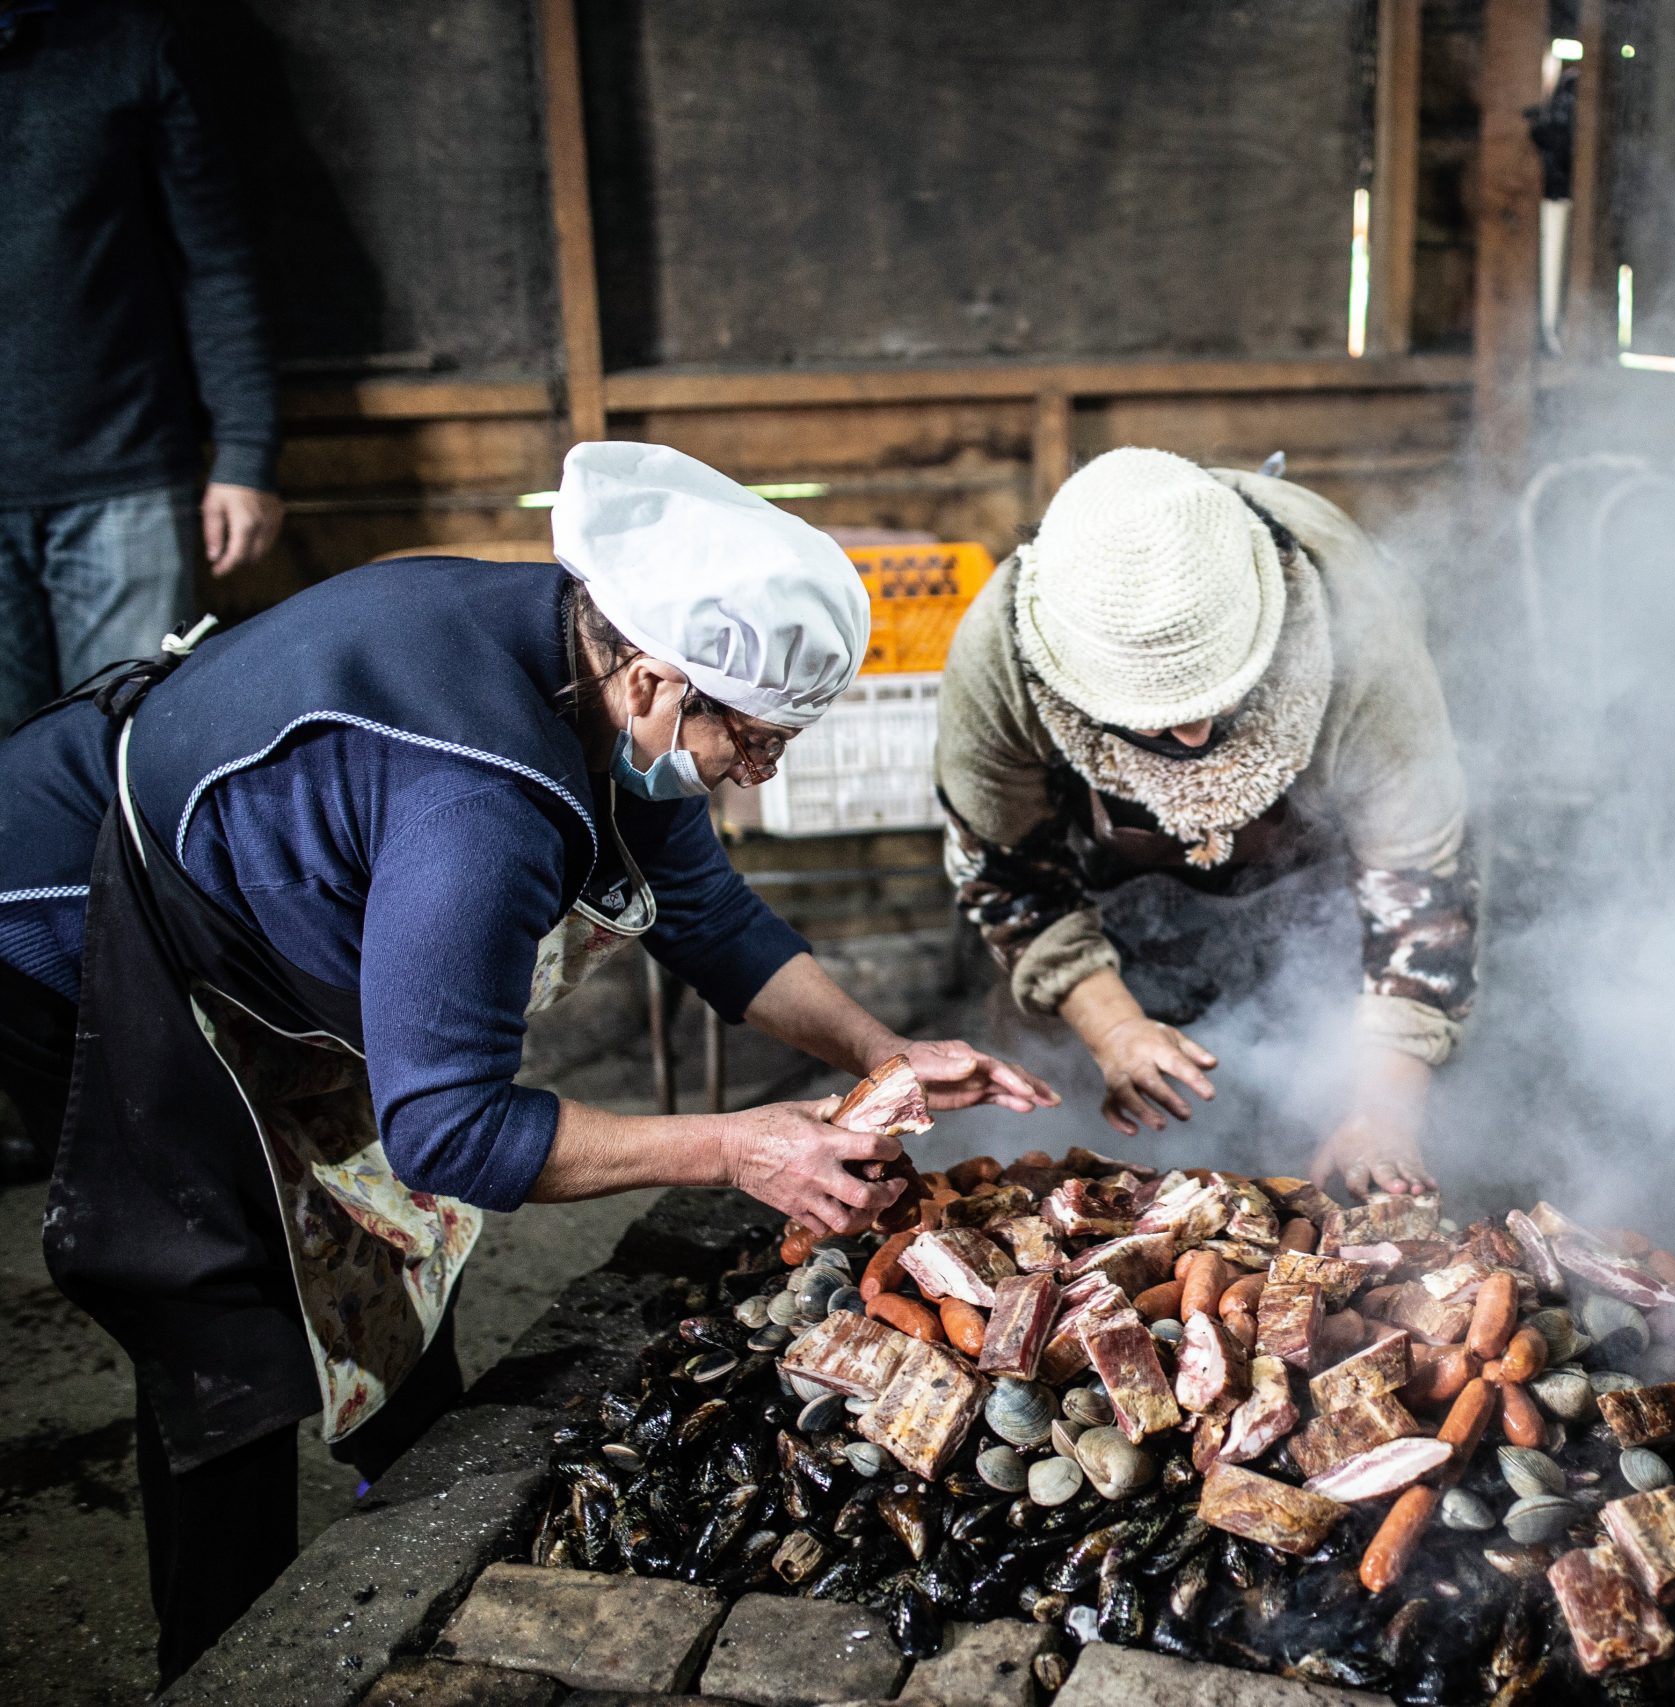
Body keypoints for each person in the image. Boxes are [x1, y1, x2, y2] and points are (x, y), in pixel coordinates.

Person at [0, 441, 1055, 1683]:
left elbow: (705, 913)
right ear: (659, 682)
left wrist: (884, 1050)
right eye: (755, 741)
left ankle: (418, 1485)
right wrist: (735, 1145)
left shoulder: (601, 662)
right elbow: (449, 1130)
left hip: (253, 897)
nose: (761, 773)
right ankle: (227, 1659)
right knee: (223, 1309)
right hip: (71, 914)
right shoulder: (480, 807)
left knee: (376, 1237)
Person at [935, 448, 1476, 1198]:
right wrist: (1114, 1027)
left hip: (1319, 899)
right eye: (1157, 717)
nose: (1192, 736)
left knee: (1341, 1126)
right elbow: (1007, 873)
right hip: (1106, 905)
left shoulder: (1359, 622)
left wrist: (1384, 1110)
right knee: (1076, 1162)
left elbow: (1420, 883)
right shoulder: (1000, 656)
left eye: (1217, 694)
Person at [0, 0, 283, 740]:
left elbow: (213, 258)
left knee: (135, 749)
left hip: (125, 477)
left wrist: (247, 453)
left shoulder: (128, 41)